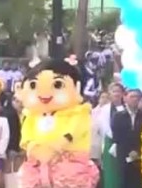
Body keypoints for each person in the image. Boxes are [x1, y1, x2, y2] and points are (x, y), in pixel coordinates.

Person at [18, 58, 99, 188]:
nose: (44, 94)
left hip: (68, 168)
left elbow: (73, 131)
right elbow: (26, 135)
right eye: (33, 85)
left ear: (77, 87)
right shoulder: (32, 116)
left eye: (57, 85)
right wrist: (33, 147)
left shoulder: (78, 113)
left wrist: (56, 146)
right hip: (37, 168)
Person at [112, 88, 142, 187]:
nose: (134, 99)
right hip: (124, 155)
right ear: (125, 98)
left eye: (137, 97)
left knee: (138, 182)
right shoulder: (118, 116)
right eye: (132, 96)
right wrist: (129, 151)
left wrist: (137, 151)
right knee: (124, 182)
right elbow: (117, 136)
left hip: (140, 156)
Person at [97, 83, 125, 188]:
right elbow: (104, 126)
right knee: (110, 172)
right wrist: (113, 138)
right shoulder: (105, 109)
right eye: (114, 91)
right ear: (110, 93)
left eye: (118, 91)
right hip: (109, 141)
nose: (116, 94)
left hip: (123, 143)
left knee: (122, 172)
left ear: (122, 94)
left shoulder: (125, 108)